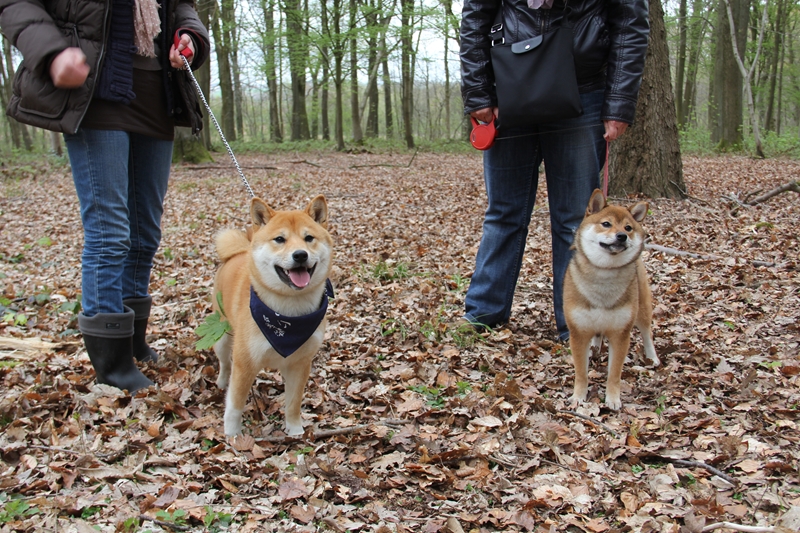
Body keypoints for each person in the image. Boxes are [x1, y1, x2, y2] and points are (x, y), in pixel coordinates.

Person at [0, 0, 210, 392]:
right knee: (110, 232)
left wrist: (190, 36)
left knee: (145, 233)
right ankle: (111, 364)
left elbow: (181, 5)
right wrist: (51, 52)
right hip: (95, 92)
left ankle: (132, 340)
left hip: (157, 96)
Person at [458, 0, 650, 341]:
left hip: (584, 89)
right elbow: (475, 16)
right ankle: (483, 315)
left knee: (574, 218)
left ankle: (575, 324)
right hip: (509, 86)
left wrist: (619, 103)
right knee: (503, 213)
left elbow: (629, 24)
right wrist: (478, 92)